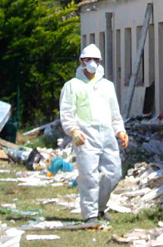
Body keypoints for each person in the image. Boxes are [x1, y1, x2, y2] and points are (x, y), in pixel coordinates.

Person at [60, 44, 129, 225]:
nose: (92, 63)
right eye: (87, 59)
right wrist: (73, 130)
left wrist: (120, 131)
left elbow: (115, 112)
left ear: (100, 62)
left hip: (107, 134)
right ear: (81, 62)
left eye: (95, 60)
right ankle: (89, 215)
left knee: (113, 174)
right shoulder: (72, 86)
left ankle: (100, 207)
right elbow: (67, 112)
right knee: (89, 176)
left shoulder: (107, 86)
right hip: (85, 136)